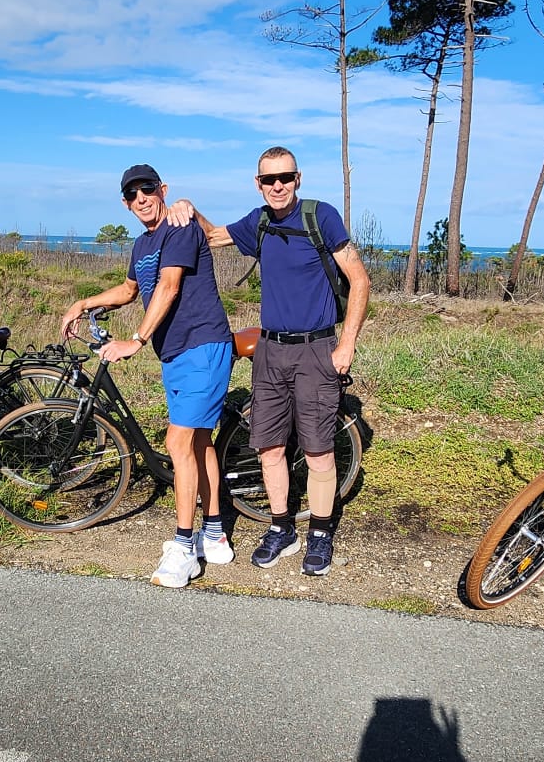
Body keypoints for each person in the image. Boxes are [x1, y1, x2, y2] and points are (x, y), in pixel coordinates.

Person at [165, 146, 371, 576]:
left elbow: (359, 278)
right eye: (268, 180)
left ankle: (319, 533)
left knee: (317, 451)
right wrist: (187, 206)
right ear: (257, 184)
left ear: (298, 179)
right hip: (270, 349)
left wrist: (346, 341)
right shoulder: (258, 222)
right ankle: (282, 529)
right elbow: (214, 236)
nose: (278, 186)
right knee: (271, 448)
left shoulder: (320, 217)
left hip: (317, 348)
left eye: (285, 177)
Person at [61, 164, 234, 588]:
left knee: (177, 440)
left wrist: (135, 341)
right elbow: (128, 291)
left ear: (163, 190)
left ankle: (183, 548)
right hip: (174, 352)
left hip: (203, 345)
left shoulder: (180, 228)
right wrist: (83, 303)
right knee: (197, 440)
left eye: (148, 189)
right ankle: (214, 532)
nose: (141, 197)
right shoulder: (141, 245)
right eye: (132, 193)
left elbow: (170, 287)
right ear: (125, 202)